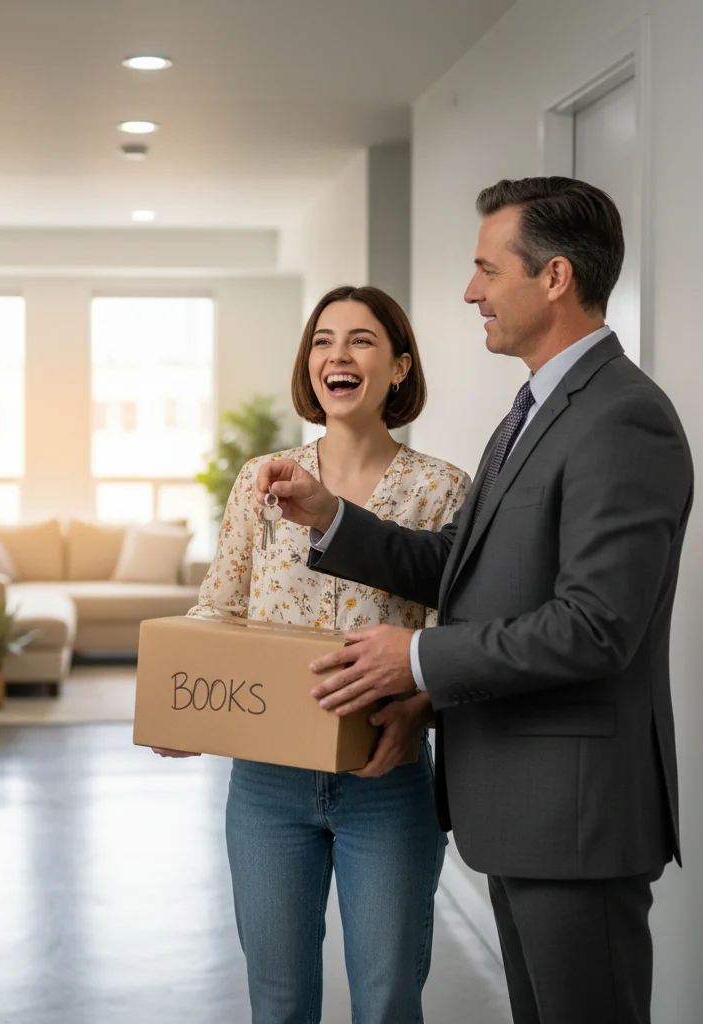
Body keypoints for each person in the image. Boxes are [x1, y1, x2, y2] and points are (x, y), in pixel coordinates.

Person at [257, 178, 694, 1024]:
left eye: (486, 270)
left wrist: (414, 657)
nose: (470, 292)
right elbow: (466, 566)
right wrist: (332, 519)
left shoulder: (622, 417)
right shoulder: (536, 408)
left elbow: (597, 626)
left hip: (576, 817)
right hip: (523, 808)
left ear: (556, 277)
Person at [154, 285, 470, 1023]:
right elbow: (221, 607)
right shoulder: (261, 482)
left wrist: (419, 708)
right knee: (278, 1000)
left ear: (398, 367)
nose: (338, 354)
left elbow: (458, 635)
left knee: (388, 998)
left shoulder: (441, 490)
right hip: (267, 786)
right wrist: (182, 702)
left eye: (361, 340)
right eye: (323, 340)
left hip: (386, 782)